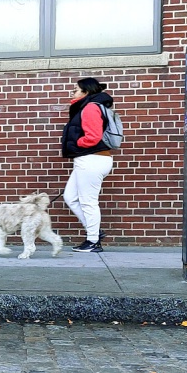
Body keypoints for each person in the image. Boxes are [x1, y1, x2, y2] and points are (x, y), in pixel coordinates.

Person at [61, 77, 115, 253]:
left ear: (86, 92)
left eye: (76, 89)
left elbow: (93, 136)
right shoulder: (87, 106)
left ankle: (93, 241)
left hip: (92, 159)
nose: (73, 92)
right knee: (71, 197)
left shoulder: (91, 107)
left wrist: (77, 144)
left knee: (88, 202)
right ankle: (94, 232)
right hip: (88, 159)